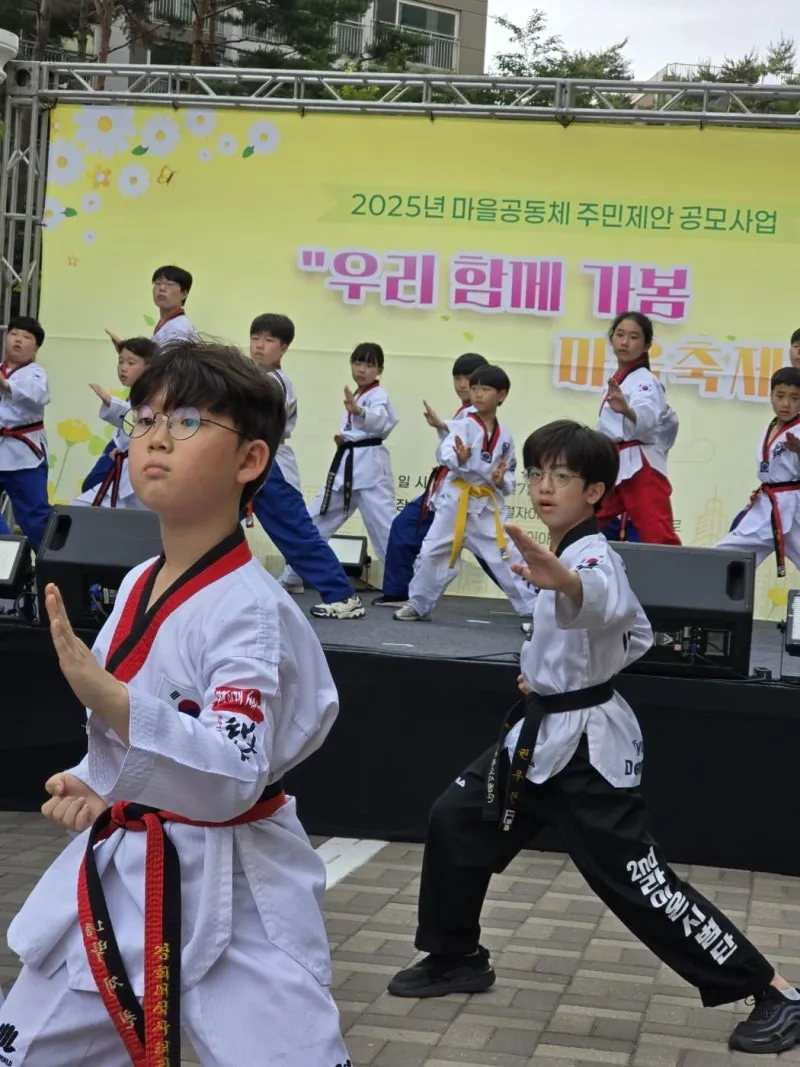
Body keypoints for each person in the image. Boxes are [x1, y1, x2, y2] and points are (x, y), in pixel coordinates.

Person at [387, 418, 800, 1057]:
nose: (544, 486)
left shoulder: (590, 558)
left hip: (584, 751)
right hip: (540, 735)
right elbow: (612, 638)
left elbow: (602, 601)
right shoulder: (561, 552)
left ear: (596, 492)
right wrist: (543, 677)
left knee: (640, 882)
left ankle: (773, 991)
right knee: (456, 820)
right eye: (537, 473)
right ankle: (455, 955)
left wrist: (567, 585)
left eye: (562, 476)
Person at [0, 340, 351, 1066]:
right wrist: (97, 784)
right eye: (146, 418)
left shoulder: (249, 610)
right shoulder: (139, 581)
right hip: (129, 869)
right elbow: (133, 741)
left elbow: (232, 771)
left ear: (250, 460)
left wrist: (109, 696)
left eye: (188, 420)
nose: (156, 437)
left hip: (237, 885)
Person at [394, 365, 536, 623]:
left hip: (486, 507)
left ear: (501, 395)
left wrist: (501, 480)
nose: (478, 394)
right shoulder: (463, 426)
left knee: (506, 555)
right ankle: (418, 603)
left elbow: (508, 470)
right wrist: (458, 459)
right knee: (432, 551)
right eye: (474, 389)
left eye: (485, 389)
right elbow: (445, 453)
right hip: (456, 502)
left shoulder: (505, 436)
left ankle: (534, 610)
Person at [247, 314, 365, 620]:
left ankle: (342, 595)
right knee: (216, 527)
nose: (259, 345)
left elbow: (257, 425)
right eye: (255, 338)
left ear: (284, 347)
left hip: (269, 463)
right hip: (249, 460)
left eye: (268, 340)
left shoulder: (273, 383)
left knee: (295, 532)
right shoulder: (254, 378)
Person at [373, 352, 499, 608]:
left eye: (470, 380)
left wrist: (442, 426)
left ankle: (535, 597)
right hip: (446, 487)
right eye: (458, 378)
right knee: (407, 528)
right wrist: (442, 427)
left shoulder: (478, 416)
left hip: (466, 493)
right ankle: (400, 593)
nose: (462, 385)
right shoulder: (467, 413)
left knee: (494, 554)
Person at [281, 342, 398, 584]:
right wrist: (345, 438)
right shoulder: (358, 394)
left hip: (370, 469)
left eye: (369, 365)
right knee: (316, 520)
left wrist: (360, 412)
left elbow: (381, 421)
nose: (362, 369)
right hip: (348, 465)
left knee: (384, 530)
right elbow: (358, 429)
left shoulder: (378, 395)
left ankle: (404, 585)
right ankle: (293, 577)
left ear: (380, 370)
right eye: (357, 363)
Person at [86, 265, 198, 493]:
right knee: (104, 488)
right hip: (146, 415)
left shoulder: (180, 329)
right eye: (158, 283)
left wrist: (135, 365)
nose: (161, 289)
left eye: (169, 285)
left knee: (101, 487)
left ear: (184, 293)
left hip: (156, 415)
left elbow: (165, 373)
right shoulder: (166, 325)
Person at [596, 311, 680, 545]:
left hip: (639, 465)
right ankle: (561, 565)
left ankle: (676, 572)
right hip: (615, 462)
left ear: (646, 345)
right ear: (611, 338)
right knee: (588, 522)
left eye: (634, 337)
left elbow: (648, 417)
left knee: (657, 533)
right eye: (620, 335)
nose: (625, 342)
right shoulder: (619, 378)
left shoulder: (645, 380)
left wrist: (627, 411)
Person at [716, 367, 800, 575]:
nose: (786, 404)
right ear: (771, 396)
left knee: (729, 554)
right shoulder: (770, 427)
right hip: (769, 505)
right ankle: (710, 587)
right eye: (780, 396)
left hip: (794, 504)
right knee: (726, 555)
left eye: (795, 398)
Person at [72, 336, 157, 509]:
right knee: (86, 498)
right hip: (122, 457)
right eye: (121, 361)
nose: (123, 368)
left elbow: (146, 421)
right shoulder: (138, 393)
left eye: (131, 363)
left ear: (149, 367)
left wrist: (111, 403)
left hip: (138, 466)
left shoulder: (157, 395)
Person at [0, 316, 51, 551]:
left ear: (36, 348)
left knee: (35, 517)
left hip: (23, 454)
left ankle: (50, 565)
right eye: (14, 334)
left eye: (26, 337)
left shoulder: (36, 373)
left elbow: (38, 395)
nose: (18, 340)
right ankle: (8, 553)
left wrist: (6, 385)